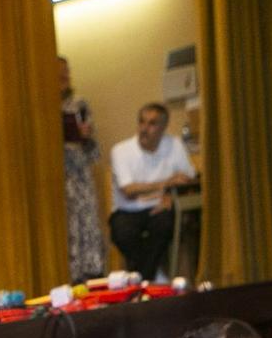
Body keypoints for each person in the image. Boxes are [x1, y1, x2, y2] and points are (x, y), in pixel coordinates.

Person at [106, 102, 195, 282]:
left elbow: (188, 179)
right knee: (121, 233)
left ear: (163, 128)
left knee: (165, 225)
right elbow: (129, 190)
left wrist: (170, 194)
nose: (144, 129)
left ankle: (141, 278)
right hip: (128, 211)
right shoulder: (121, 151)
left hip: (160, 208)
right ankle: (153, 276)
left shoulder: (175, 145)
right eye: (142, 122)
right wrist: (167, 183)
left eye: (152, 124)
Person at [58, 56, 105, 283]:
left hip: (78, 173)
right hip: (57, 176)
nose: (64, 77)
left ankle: (91, 274)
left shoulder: (79, 104)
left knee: (84, 221)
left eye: (66, 72)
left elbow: (93, 149)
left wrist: (84, 136)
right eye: (59, 73)